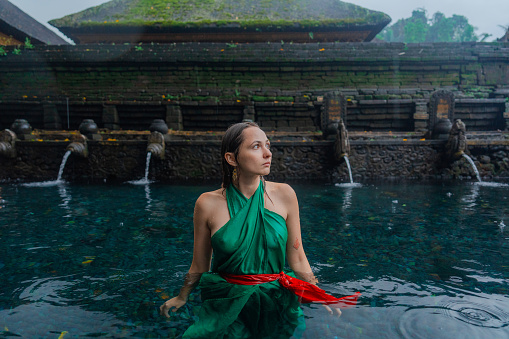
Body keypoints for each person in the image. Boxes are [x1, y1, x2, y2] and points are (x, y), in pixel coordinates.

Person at [160, 122, 359, 338]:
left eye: (268, 145)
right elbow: (199, 263)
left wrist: (317, 292)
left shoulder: (285, 195)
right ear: (231, 158)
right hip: (226, 301)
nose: (267, 153)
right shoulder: (207, 204)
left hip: (275, 300)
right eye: (256, 146)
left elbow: (298, 257)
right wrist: (182, 296)